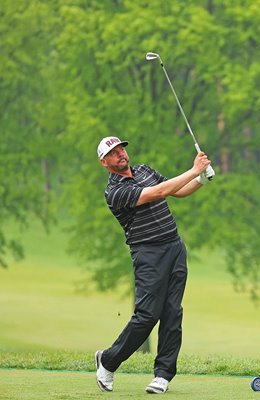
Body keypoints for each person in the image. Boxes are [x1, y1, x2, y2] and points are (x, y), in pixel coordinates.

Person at [94, 136, 211, 394]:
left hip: (174, 247)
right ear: (105, 162)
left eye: (122, 149)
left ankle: (163, 375)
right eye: (113, 153)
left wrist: (200, 179)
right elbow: (158, 192)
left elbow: (177, 190)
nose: (121, 154)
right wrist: (194, 170)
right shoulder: (115, 192)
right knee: (147, 315)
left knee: (172, 312)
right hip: (148, 254)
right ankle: (108, 360)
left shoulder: (145, 170)